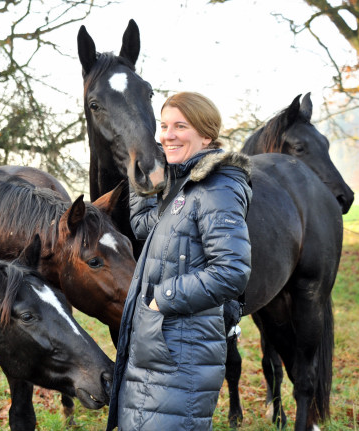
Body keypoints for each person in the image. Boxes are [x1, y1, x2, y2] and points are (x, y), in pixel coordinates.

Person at [106, 92, 252, 431]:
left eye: (180, 126)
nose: (166, 135)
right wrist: (139, 181)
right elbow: (148, 229)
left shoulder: (218, 187)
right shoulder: (186, 184)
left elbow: (231, 272)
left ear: (206, 134)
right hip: (159, 347)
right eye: (165, 125)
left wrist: (162, 299)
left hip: (180, 350)